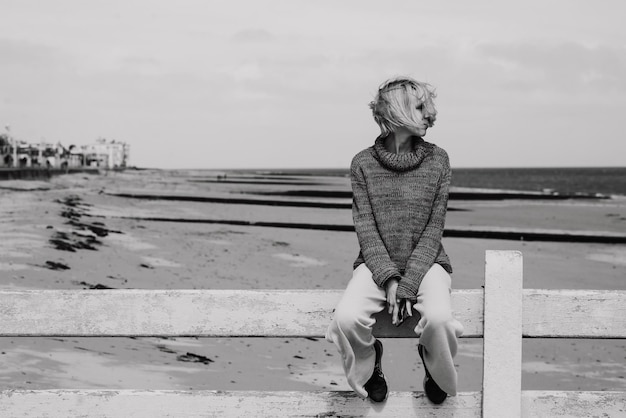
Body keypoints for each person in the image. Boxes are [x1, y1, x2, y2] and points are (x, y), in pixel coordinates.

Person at [325, 76, 464, 404]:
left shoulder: (438, 160)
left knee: (441, 319)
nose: (431, 115)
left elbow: (434, 229)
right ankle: (371, 363)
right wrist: (388, 279)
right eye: (421, 107)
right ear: (397, 112)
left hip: (428, 263)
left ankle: (434, 366)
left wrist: (408, 283)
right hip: (375, 265)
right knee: (345, 319)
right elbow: (366, 229)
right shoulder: (362, 164)